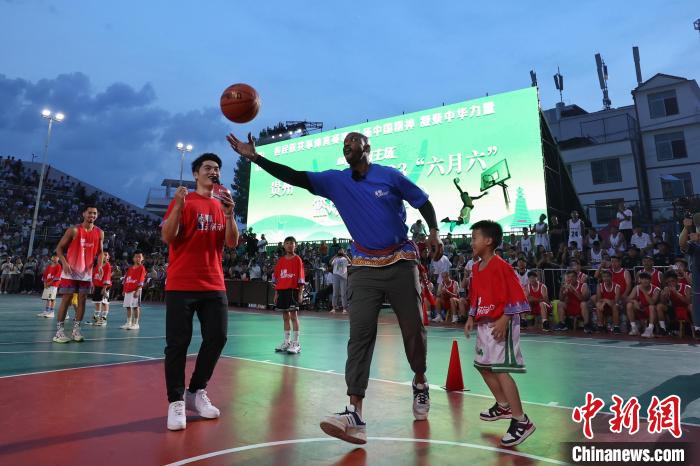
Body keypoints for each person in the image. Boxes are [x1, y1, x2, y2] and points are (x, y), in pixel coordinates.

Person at [228, 130, 441, 444]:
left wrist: (434, 232)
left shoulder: (389, 176)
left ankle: (420, 382)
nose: (347, 146)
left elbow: (424, 202)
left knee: (413, 329)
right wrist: (256, 158)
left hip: (400, 260)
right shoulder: (336, 181)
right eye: (344, 145)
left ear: (367, 147)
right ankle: (355, 412)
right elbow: (295, 177)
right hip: (365, 265)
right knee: (360, 336)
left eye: (352, 142)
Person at [161, 153, 238, 431]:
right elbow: (167, 237)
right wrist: (179, 207)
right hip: (182, 283)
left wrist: (230, 215)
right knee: (178, 344)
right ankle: (175, 401)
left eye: (217, 168)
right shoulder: (184, 201)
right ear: (196, 174)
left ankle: (196, 392)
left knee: (217, 337)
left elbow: (231, 243)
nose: (213, 172)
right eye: (207, 168)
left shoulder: (222, 205)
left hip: (213, 283)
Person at [464, 220, 534, 447]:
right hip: (484, 323)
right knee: (482, 365)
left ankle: (521, 420)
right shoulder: (475, 268)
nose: (471, 241)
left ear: (488, 240)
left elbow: (518, 294)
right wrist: (471, 317)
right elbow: (476, 296)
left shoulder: (501, 265)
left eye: (475, 237)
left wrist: (506, 317)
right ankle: (503, 405)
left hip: (501, 322)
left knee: (502, 370)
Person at [52, 205, 104, 343]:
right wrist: (64, 262)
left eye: (94, 213)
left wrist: (99, 265)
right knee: (67, 299)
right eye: (89, 213)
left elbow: (100, 252)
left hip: (86, 273)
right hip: (70, 271)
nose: (92, 215)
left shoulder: (100, 233)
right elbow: (59, 248)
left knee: (82, 300)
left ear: (97, 215)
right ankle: (59, 332)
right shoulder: (74, 230)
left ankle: (76, 330)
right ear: (83, 214)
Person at [272, 236, 305, 354]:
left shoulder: (298, 260)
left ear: (295, 245)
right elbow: (277, 278)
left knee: (293, 316)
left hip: (293, 291)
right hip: (282, 291)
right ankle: (287, 342)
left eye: (292, 243)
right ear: (284, 245)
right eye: (287, 243)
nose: (290, 245)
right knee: (285, 317)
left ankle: (296, 343)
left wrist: (300, 293)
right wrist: (276, 293)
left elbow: (301, 278)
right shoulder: (281, 260)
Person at [626, 271, 661, 338]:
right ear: (640, 280)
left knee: (651, 307)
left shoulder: (656, 289)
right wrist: (634, 301)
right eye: (642, 279)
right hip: (640, 310)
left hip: (652, 314)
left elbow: (652, 302)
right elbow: (628, 299)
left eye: (646, 279)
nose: (644, 281)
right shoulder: (636, 288)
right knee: (629, 305)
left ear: (650, 280)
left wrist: (644, 291)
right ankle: (634, 328)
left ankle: (650, 330)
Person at [658, 270, 692, 336]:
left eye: (672, 281)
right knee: (659, 306)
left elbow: (688, 302)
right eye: (668, 282)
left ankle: (697, 328)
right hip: (674, 309)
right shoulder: (667, 289)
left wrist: (676, 293)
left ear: (677, 280)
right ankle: (663, 329)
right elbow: (663, 302)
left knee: (691, 306)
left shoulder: (687, 287)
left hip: (686, 308)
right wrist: (664, 296)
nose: (670, 283)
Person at [120, 251, 146, 330]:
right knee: (128, 307)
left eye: (139, 257)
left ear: (142, 259)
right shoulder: (130, 268)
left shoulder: (142, 268)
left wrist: (138, 290)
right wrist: (124, 290)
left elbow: (141, 280)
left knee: (135, 307)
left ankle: (136, 323)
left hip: (136, 290)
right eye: (136, 257)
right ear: (133, 258)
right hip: (128, 290)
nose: (138, 258)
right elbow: (126, 279)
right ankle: (128, 323)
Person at [595, 270, 622, 334]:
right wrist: (605, 301)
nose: (606, 278)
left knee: (615, 305)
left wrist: (605, 301)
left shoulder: (617, 287)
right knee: (598, 304)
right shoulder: (599, 286)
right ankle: (600, 326)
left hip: (615, 307)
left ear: (611, 277)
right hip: (605, 306)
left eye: (608, 277)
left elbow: (616, 301)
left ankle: (616, 327)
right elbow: (598, 299)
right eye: (604, 277)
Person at [91, 251, 112, 326]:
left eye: (106, 255)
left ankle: (103, 318)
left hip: (104, 287)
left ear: (108, 257)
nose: (104, 256)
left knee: (104, 302)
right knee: (97, 302)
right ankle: (96, 316)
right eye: (103, 255)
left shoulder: (107, 266)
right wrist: (93, 285)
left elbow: (107, 277)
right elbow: (94, 275)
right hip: (97, 286)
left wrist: (104, 288)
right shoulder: (98, 265)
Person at [330, 248, 350, 314]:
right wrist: (335, 256)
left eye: (342, 251)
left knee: (343, 293)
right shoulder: (335, 259)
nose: (340, 252)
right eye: (339, 251)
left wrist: (345, 255)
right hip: (336, 275)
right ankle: (333, 308)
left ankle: (344, 309)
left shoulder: (345, 259)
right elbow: (330, 262)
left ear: (344, 252)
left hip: (343, 277)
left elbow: (351, 263)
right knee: (335, 292)